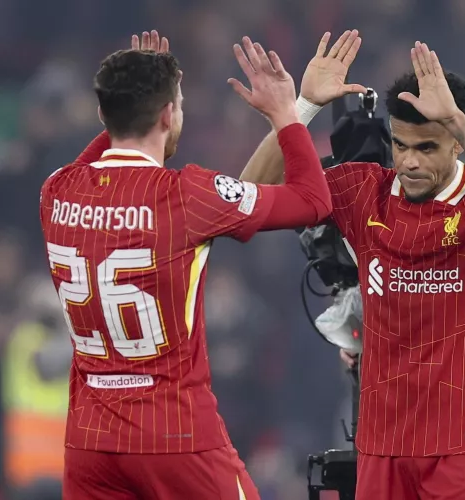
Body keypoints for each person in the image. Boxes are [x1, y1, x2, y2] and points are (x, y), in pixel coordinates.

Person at [242, 39, 465, 500]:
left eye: (427, 147)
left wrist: (457, 120)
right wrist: (300, 108)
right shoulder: (364, 190)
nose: (409, 161)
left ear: (457, 145)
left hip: (463, 444)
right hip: (381, 445)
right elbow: (243, 197)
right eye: (400, 145)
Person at [39, 30, 334, 500]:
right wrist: (285, 112)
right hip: (174, 436)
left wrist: (135, 94)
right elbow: (313, 201)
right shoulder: (188, 195)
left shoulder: (56, 192)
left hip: (90, 443)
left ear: (102, 114)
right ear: (168, 114)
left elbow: (99, 156)